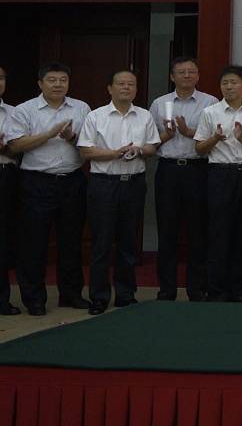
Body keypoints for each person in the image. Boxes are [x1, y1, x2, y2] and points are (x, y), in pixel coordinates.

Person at [4, 63, 92, 316]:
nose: (57, 84)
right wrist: (50, 133)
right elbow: (15, 145)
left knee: (71, 241)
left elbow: (89, 143)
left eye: (63, 80)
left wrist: (71, 137)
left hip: (72, 181)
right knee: (34, 243)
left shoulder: (81, 108)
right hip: (36, 182)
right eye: (52, 80)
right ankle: (34, 299)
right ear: (40, 83)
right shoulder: (24, 110)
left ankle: (71, 294)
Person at [77, 69, 161, 315]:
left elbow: (153, 146)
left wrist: (140, 150)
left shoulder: (144, 116)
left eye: (131, 84)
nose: (126, 88)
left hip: (133, 183)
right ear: (110, 88)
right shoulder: (95, 116)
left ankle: (126, 294)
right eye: (121, 84)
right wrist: (115, 153)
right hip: (104, 183)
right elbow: (86, 151)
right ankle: (99, 297)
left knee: (128, 242)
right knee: (102, 242)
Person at [149, 57, 217, 301]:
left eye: (191, 71)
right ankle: (166, 290)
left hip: (198, 170)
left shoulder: (210, 102)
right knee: (167, 231)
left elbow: (215, 139)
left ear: (198, 76)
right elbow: (149, 141)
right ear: (172, 76)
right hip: (168, 170)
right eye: (181, 72)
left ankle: (196, 289)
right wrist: (166, 136)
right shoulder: (159, 103)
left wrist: (189, 132)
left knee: (198, 232)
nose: (187, 75)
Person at [194, 65, 242, 303]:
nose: (229, 87)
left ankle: (237, 290)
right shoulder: (210, 112)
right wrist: (215, 138)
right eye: (225, 83)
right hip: (219, 176)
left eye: (234, 82)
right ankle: (216, 291)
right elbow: (199, 148)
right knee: (219, 233)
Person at [0, 67, 20, 315]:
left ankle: (2, 299)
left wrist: (8, 148)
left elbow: (21, 146)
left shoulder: (16, 113)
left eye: (1, 78)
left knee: (3, 237)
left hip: (5, 174)